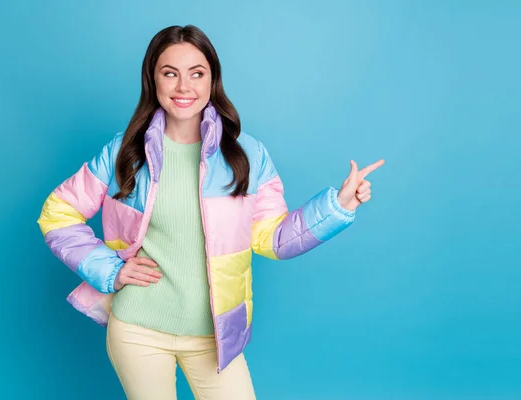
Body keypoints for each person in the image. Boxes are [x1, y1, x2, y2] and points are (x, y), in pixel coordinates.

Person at [37, 24, 384, 400]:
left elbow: (274, 239)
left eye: (196, 73)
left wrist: (339, 206)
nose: (184, 87)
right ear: (153, 80)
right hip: (138, 330)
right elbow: (58, 213)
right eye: (170, 73)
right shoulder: (124, 151)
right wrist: (112, 271)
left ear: (212, 80)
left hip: (214, 337)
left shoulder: (247, 154)